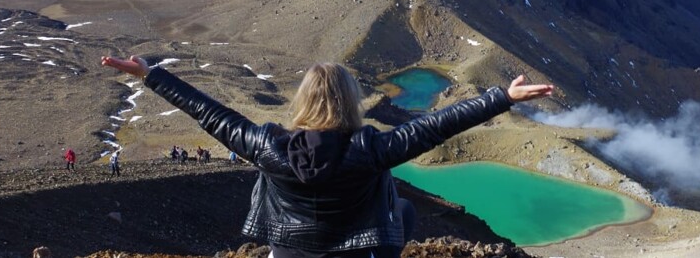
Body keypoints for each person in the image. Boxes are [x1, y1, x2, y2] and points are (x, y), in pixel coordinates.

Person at [101, 55, 552, 258]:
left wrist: (151, 75)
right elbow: (434, 127)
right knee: (405, 211)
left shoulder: (268, 146)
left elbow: (211, 114)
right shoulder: (369, 149)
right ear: (349, 101)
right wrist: (502, 97)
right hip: (356, 255)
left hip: (288, 254)